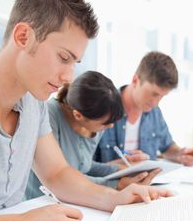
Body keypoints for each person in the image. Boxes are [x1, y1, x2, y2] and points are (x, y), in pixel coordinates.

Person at [0, 0, 171, 221]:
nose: (68, 78)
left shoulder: (33, 104)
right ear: (23, 37)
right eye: (63, 57)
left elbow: (57, 173)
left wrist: (114, 198)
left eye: (74, 63)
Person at [25, 71, 159, 200]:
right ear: (78, 115)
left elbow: (85, 166)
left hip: (71, 200)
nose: (110, 127)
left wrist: (121, 169)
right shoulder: (48, 115)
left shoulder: (95, 126)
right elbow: (63, 176)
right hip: (39, 200)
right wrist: (116, 184)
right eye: (104, 124)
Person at [95, 51, 193, 167]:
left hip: (148, 183)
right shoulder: (102, 108)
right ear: (135, 80)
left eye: (163, 96)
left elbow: (167, 146)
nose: (156, 102)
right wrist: (119, 166)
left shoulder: (154, 112)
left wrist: (180, 154)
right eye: (154, 94)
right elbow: (85, 167)